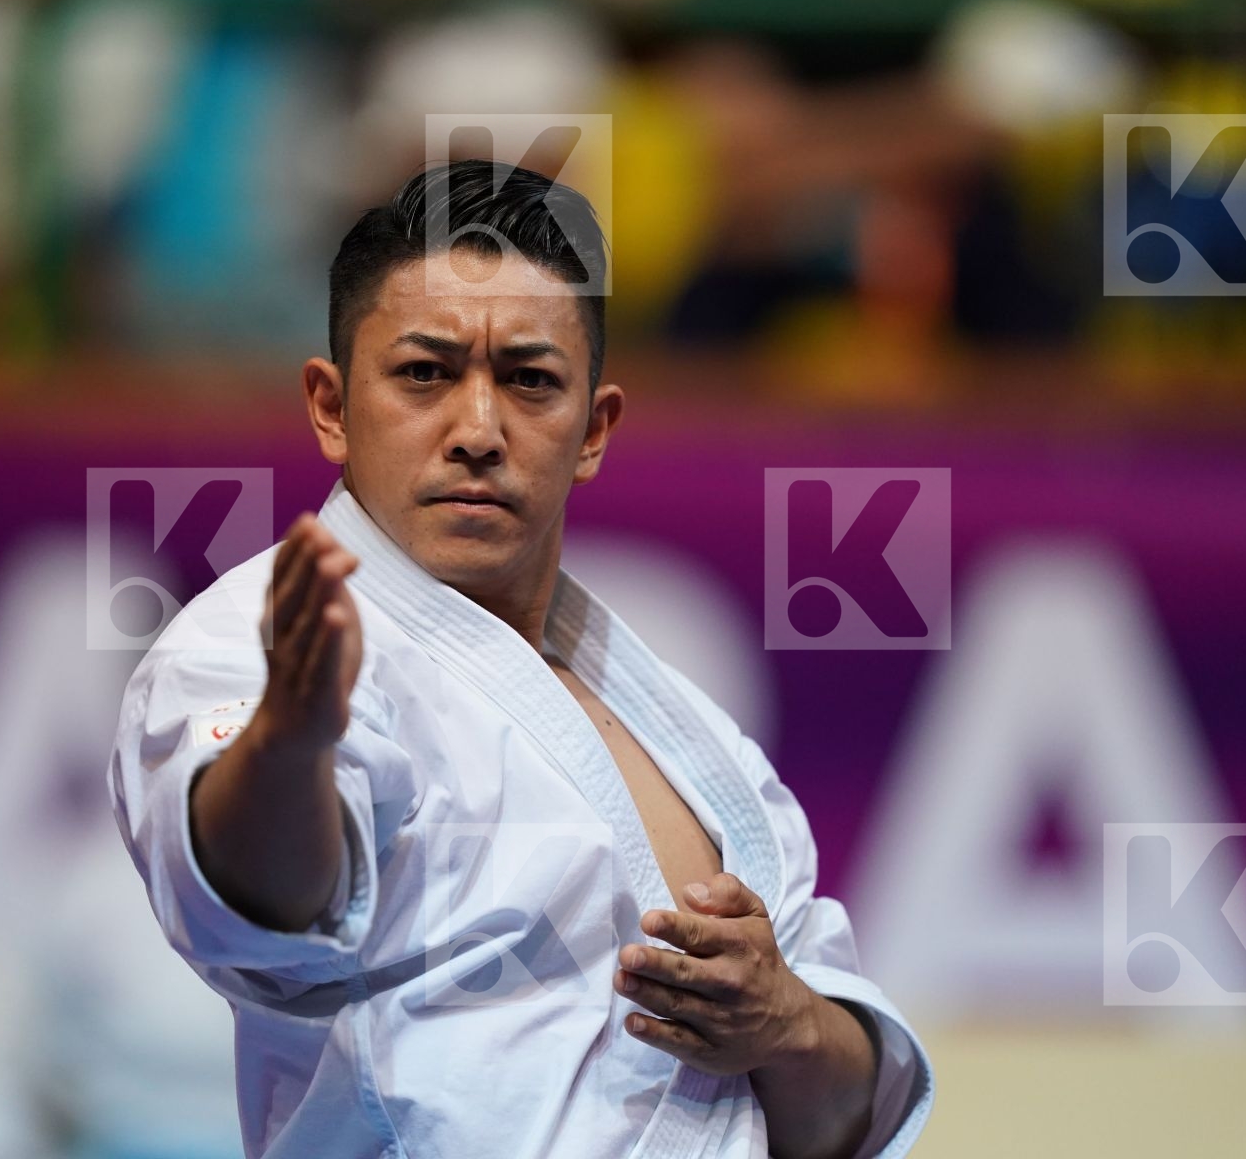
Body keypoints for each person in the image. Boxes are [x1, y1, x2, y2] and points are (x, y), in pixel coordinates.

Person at [109, 160, 934, 1158]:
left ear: (593, 429)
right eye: (424, 373)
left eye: (531, 381)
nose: (478, 431)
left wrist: (787, 1025)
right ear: (330, 405)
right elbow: (258, 908)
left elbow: (846, 1116)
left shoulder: (686, 728)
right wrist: (289, 740)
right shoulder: (252, 648)